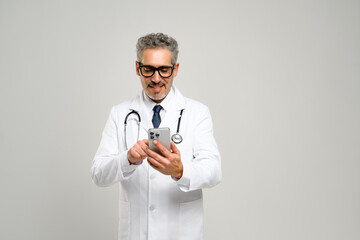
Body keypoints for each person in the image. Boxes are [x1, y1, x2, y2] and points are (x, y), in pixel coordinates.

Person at [91, 33, 221, 240]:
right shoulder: (120, 113)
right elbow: (98, 174)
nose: (156, 78)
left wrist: (181, 170)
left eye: (164, 70)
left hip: (181, 233)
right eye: (149, 69)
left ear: (175, 69)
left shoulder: (197, 113)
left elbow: (214, 172)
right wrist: (127, 159)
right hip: (136, 233)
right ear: (137, 68)